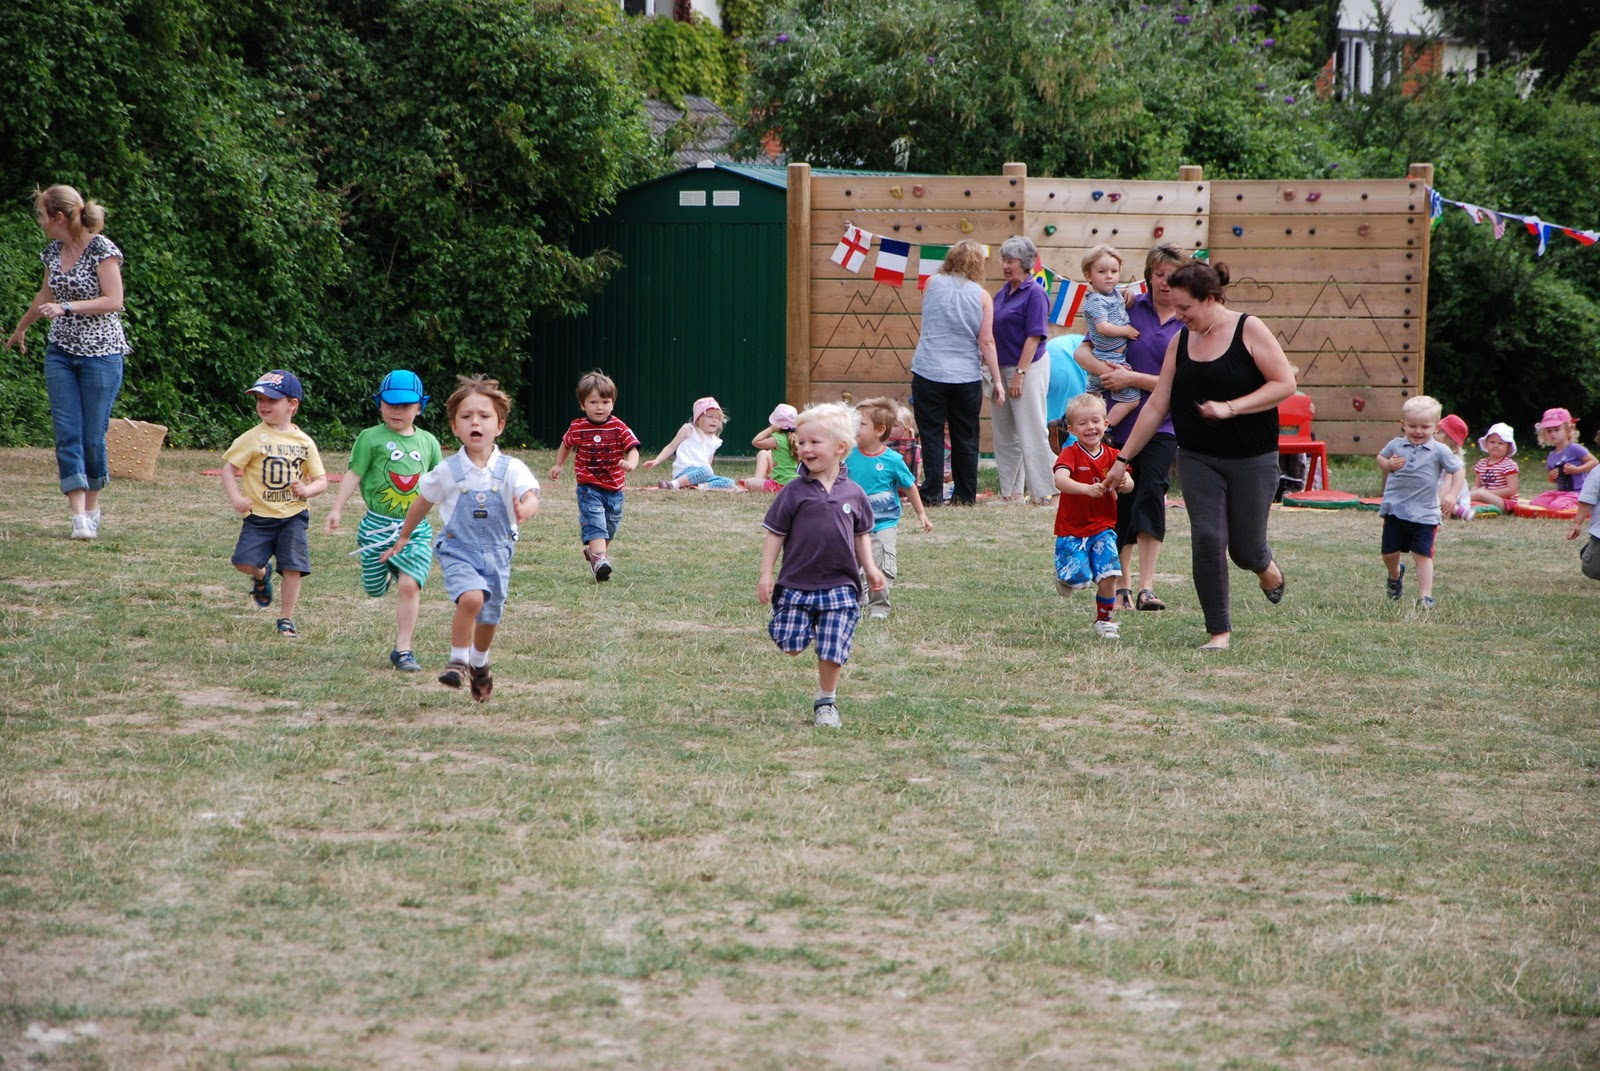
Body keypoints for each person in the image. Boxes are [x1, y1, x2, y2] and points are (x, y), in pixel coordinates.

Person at [1101, 260, 1294, 651]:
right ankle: (1218, 632)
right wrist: (1122, 459)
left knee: (1245, 547)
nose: (1178, 315)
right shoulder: (1181, 341)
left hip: (1252, 457)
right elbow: (1157, 404)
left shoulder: (1248, 329)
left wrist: (1232, 407)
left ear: (1211, 299)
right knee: (1207, 538)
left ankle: (1264, 565)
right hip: (1197, 455)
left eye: (1185, 308)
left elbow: (1285, 382)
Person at [379, 375, 540, 701]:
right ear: (454, 427)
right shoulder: (448, 470)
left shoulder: (512, 468)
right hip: (457, 549)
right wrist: (404, 536)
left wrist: (525, 509)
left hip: (498, 552)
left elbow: (531, 494)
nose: (475, 422)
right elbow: (422, 501)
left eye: (484, 416)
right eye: (466, 417)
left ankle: (479, 662)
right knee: (471, 598)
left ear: (500, 425)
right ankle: (457, 662)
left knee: (489, 617)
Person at [6, 185, 129, 540]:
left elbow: (114, 300)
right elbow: (46, 293)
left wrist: (68, 307)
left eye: (42, 216)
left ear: (59, 217)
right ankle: (77, 517)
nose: (40, 222)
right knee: (67, 434)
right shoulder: (52, 253)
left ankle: (92, 508)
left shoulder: (102, 249)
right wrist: (21, 329)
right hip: (61, 352)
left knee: (93, 436)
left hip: (102, 355)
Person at [758, 403, 886, 729]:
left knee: (832, 647)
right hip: (796, 584)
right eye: (801, 442)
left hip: (841, 584)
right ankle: (798, 627)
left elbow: (862, 534)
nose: (805, 448)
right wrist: (766, 574)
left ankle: (826, 702)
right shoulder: (793, 492)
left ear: (840, 447)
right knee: (791, 646)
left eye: (815, 442)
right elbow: (775, 533)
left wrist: (870, 569)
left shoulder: (854, 493)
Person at [1075, 243, 1188, 613]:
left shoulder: (1189, 321)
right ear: (1149, 275)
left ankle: (1147, 587)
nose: (1165, 284)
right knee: (1119, 500)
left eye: (1172, 277)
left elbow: (1181, 384)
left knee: (1151, 493)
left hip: (1163, 425)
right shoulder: (1127, 306)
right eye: (1158, 275)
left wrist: (1132, 377)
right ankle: (1120, 585)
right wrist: (1105, 372)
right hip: (1118, 425)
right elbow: (1083, 351)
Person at [323, 370, 445, 671]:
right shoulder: (370, 438)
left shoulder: (429, 442)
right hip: (375, 528)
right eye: (391, 404)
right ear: (380, 404)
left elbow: (442, 483)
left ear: (420, 407)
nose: (398, 410)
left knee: (409, 585)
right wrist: (337, 509)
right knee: (374, 589)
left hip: (414, 530)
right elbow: (354, 474)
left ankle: (403, 649)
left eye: (406, 405)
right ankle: (388, 571)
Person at [221, 370, 329, 638]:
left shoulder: (304, 442)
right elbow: (228, 468)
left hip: (293, 515)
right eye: (259, 399)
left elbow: (322, 480)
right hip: (258, 516)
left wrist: (307, 489)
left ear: (292, 404)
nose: (263, 405)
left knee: (293, 567)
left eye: (271, 399)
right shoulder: (252, 437)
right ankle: (260, 575)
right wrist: (236, 497)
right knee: (242, 562)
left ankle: (286, 619)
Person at [909, 239, 1006, 507]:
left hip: (928, 370)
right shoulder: (982, 296)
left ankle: (931, 494)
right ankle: (964, 496)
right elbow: (986, 341)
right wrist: (997, 381)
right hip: (965, 376)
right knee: (966, 436)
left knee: (931, 434)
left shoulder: (931, 283)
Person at [1052, 394, 1135, 640]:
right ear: (1071, 429)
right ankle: (1065, 577)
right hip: (1072, 528)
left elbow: (1129, 484)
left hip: (1104, 526)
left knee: (1110, 573)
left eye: (1096, 421)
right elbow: (1060, 480)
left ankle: (1104, 621)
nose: (1090, 427)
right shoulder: (1070, 453)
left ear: (1106, 424)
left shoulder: (1113, 455)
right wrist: (1086, 489)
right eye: (1083, 423)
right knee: (1078, 579)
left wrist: (1124, 481)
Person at [548, 370, 640, 581]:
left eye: (605, 402)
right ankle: (600, 560)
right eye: (593, 402)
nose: (600, 407)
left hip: (615, 489)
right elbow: (566, 444)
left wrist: (631, 463)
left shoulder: (618, 427)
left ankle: (595, 554)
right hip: (589, 487)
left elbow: (633, 448)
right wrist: (558, 464)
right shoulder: (578, 427)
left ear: (613, 403)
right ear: (583, 405)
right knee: (595, 522)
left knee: (610, 526)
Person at [847, 397, 933, 620]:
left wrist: (921, 514)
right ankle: (857, 599)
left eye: (861, 424)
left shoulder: (893, 460)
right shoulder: (847, 455)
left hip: (883, 523)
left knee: (882, 565)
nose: (855, 427)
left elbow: (910, 486)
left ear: (880, 430)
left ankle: (879, 608)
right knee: (849, 565)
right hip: (852, 524)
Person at [1376, 395, 1462, 609]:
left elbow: (1458, 469)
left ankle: (1425, 596)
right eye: (1412, 426)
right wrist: (1388, 464)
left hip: (1425, 513)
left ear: (1436, 428)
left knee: (1422, 554)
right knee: (1389, 553)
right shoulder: (1396, 445)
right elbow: (1380, 458)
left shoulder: (1439, 450)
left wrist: (1452, 494)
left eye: (1425, 426)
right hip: (1395, 509)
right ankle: (1396, 574)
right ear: (1402, 424)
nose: (1418, 431)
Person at [989, 236, 1055, 504]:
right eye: (1003, 260)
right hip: (1000, 369)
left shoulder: (1035, 293)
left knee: (1031, 430)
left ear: (1025, 263)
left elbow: (1034, 336)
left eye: (1011, 261)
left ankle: (1046, 492)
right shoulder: (1002, 293)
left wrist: (1020, 373)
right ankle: (1011, 493)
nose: (1006, 265)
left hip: (1027, 368)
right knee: (1004, 434)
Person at [1079, 245, 1144, 431]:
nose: (1109, 276)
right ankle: (1106, 428)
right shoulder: (1095, 301)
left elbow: (1117, 295)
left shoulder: (1112, 293)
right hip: (1109, 359)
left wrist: (1127, 292)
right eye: (1102, 272)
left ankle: (1066, 422)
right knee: (1132, 400)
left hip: (1110, 357)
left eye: (1114, 271)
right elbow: (1103, 327)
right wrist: (1126, 331)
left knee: (1091, 400)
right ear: (1089, 276)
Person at [644, 396, 740, 490]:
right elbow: (671, 447)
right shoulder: (689, 430)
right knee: (706, 471)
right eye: (710, 416)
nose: (714, 420)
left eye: (718, 418)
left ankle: (698, 487)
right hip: (685, 472)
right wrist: (656, 460)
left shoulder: (715, 441)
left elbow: (708, 462)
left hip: (703, 475)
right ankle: (673, 484)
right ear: (698, 418)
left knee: (729, 482)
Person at [1531, 407, 1595, 511]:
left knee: (1556, 506)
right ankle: (1566, 503)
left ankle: (1585, 507)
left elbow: (1594, 462)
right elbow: (1553, 480)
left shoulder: (1575, 448)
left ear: (1567, 429)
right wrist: (1551, 477)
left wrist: (1576, 470)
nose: (1552, 433)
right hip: (1561, 493)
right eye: (1549, 431)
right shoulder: (1552, 455)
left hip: (1578, 492)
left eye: (1557, 429)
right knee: (1536, 502)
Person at [739, 403, 800, 492]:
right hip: (796, 485)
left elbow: (756, 442)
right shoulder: (798, 439)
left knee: (749, 482)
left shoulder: (777, 439)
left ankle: (757, 480)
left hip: (779, 486)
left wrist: (771, 429)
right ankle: (760, 480)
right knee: (765, 453)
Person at [1470, 422, 1520, 511]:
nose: (1495, 445)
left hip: (1505, 501)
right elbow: (1476, 485)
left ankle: (1458, 501)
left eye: (1500, 443)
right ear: (1486, 444)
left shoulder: (1509, 465)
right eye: (1492, 442)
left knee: (1479, 495)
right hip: (1485, 497)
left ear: (1508, 447)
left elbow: (1512, 490)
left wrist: (1487, 493)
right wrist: (1475, 491)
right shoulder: (1481, 463)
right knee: (1477, 494)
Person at [1569, 450, 1600, 581]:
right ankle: (1589, 551)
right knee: (1592, 569)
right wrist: (1577, 524)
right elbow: (1587, 499)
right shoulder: (1597, 473)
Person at [1435, 413, 1472, 520]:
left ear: (1450, 440)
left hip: (1451, 496)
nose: (1435, 434)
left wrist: (1436, 504)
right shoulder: (1435, 453)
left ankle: (1458, 511)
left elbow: (1448, 485)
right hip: (1437, 493)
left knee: (1443, 507)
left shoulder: (1452, 460)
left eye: (1440, 432)